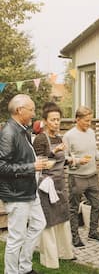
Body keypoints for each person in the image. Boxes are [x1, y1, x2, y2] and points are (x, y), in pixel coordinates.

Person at [0, 94, 47, 274]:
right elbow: (2, 166)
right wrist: (32, 166)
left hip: (29, 191)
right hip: (16, 194)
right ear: (20, 110)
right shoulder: (8, 132)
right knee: (16, 238)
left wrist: (37, 162)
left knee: (39, 224)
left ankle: (25, 267)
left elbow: (24, 157)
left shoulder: (23, 129)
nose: (34, 114)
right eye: (32, 110)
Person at [33, 102, 75, 268]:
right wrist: (54, 152)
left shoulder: (59, 138)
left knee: (63, 219)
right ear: (45, 121)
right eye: (53, 120)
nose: (56, 123)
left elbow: (60, 162)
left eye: (58, 119)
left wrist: (72, 160)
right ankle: (49, 259)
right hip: (46, 185)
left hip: (60, 183)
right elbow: (38, 163)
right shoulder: (40, 139)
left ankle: (64, 252)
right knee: (49, 221)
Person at [62, 106, 99, 247]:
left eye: (90, 120)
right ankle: (75, 238)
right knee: (73, 208)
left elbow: (95, 153)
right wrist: (77, 161)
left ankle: (93, 232)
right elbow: (63, 157)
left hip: (92, 175)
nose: (89, 123)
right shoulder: (69, 136)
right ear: (77, 119)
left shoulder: (91, 132)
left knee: (97, 204)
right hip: (77, 177)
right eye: (86, 121)